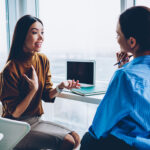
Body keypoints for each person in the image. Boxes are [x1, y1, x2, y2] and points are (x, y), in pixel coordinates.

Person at [0, 15, 81, 150]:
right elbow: (15, 114)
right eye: (34, 32)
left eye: (42, 32)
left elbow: (47, 95)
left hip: (36, 120)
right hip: (16, 126)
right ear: (22, 36)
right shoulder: (10, 69)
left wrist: (60, 87)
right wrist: (33, 90)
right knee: (68, 141)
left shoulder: (42, 60)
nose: (41, 37)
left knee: (76, 138)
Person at [80, 6, 150, 150]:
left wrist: (124, 70)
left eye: (118, 35)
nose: (117, 39)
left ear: (132, 42)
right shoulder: (130, 73)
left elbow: (100, 126)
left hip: (132, 144)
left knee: (88, 139)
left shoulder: (125, 75)